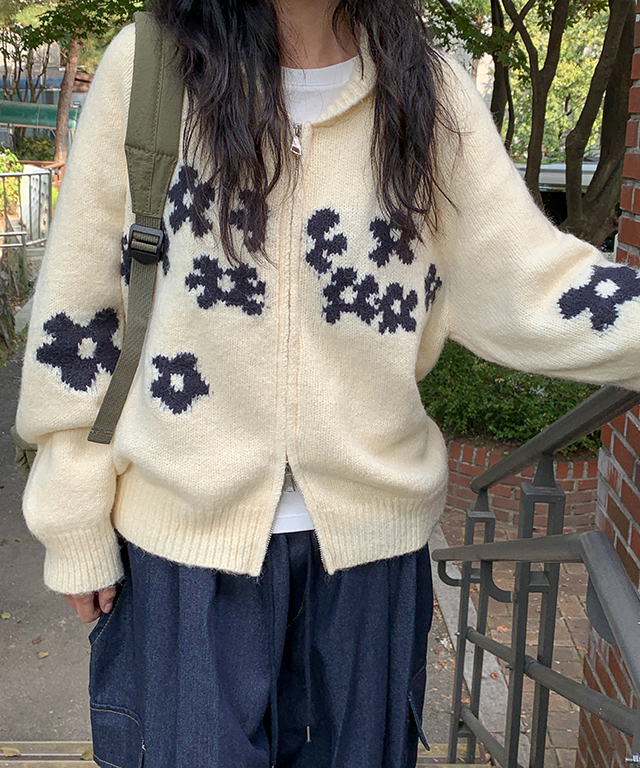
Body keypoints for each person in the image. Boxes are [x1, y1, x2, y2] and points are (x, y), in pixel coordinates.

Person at [14, 0, 640, 766]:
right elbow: (81, 312)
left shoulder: (429, 89)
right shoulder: (150, 68)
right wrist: (72, 515)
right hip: (181, 549)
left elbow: (531, 283)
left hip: (370, 559)